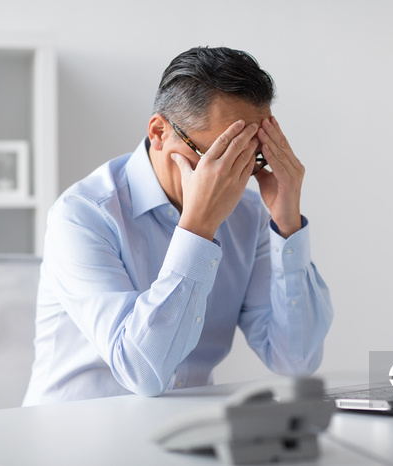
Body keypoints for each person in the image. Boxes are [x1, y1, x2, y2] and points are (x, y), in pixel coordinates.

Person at [22, 46, 333, 404]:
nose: (237, 174)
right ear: (158, 132)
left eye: (251, 155)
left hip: (183, 434)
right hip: (72, 438)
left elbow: (295, 360)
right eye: (218, 155)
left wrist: (287, 223)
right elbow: (140, 370)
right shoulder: (83, 215)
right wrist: (199, 229)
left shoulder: (250, 215)